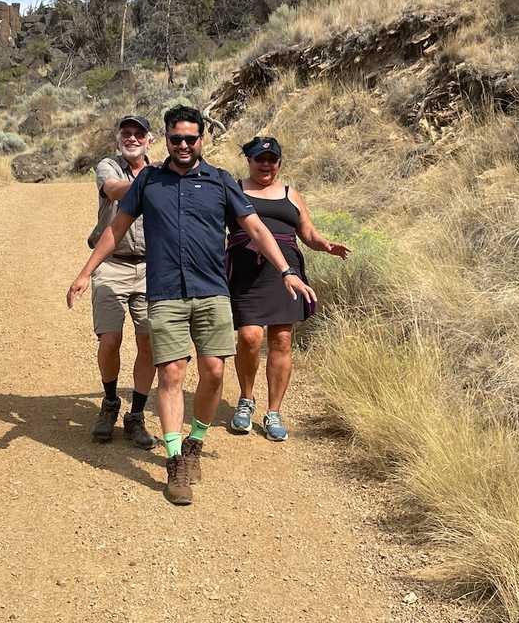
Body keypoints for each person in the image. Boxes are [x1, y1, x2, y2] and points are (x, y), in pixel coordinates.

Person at [67, 106, 316, 506]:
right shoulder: (150, 180)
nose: (183, 145)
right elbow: (117, 228)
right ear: (165, 139)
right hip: (164, 292)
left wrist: (286, 269)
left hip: (212, 291)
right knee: (171, 374)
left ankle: (196, 440)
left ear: (202, 139)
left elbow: (255, 227)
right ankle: (175, 458)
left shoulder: (219, 182)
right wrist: (85, 273)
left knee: (215, 372)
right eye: (176, 138)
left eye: (190, 138)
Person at [227, 136, 350, 442]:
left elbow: (306, 232)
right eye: (259, 159)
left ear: (279, 163)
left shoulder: (290, 194)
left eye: (271, 159)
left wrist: (324, 245)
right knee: (249, 335)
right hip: (246, 269)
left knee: (282, 339)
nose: (265, 164)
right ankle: (246, 399)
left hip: (286, 271)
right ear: (249, 161)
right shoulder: (234, 189)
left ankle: (274, 412)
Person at [86, 115, 157, 449]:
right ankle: (110, 401)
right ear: (118, 138)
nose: (132, 138)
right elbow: (114, 191)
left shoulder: (162, 171)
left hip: (152, 268)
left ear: (149, 139)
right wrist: (153, 183)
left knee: (149, 342)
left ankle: (137, 415)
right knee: (110, 339)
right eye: (126, 133)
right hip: (111, 264)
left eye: (138, 134)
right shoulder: (108, 166)